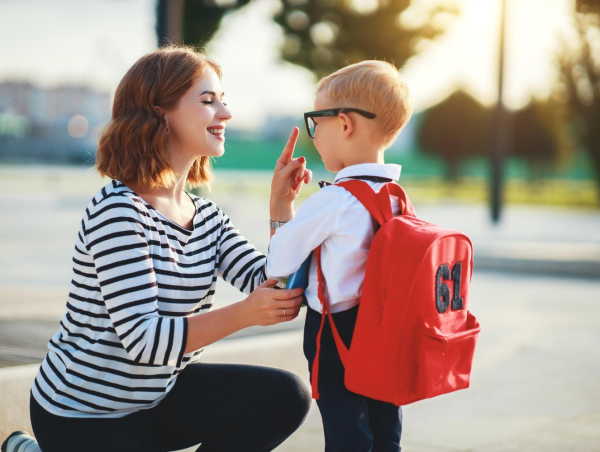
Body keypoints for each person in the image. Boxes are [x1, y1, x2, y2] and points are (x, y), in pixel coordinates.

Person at [3, 45, 314, 452]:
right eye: (208, 101)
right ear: (160, 111)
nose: (225, 113)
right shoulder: (118, 212)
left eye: (223, 100)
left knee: (286, 397)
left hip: (157, 400)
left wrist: (281, 207)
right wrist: (246, 313)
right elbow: (147, 341)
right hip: (84, 415)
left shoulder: (205, 216)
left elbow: (276, 284)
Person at [266, 60, 414, 452]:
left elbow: (278, 263)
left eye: (316, 123)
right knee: (384, 427)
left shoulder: (335, 199)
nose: (313, 135)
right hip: (385, 329)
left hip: (336, 334)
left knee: (346, 430)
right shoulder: (399, 197)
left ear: (344, 124)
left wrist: (280, 208)